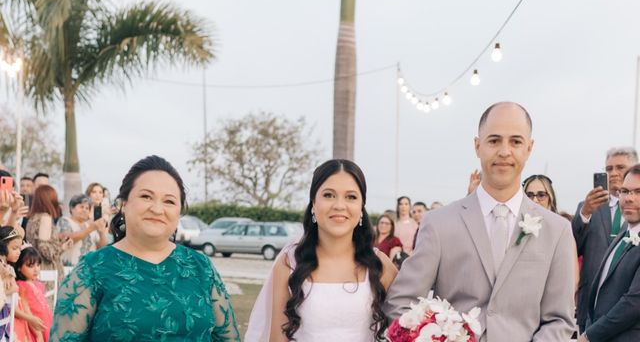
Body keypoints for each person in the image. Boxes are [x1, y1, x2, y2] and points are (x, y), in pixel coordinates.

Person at [384, 102, 576, 341]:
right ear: (478, 146)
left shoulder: (557, 230)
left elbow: (560, 320)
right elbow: (401, 303)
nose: (504, 151)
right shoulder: (439, 223)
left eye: (515, 141)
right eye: (494, 140)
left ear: (529, 147)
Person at [50, 155, 240, 341]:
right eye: (146, 196)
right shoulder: (93, 269)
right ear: (123, 204)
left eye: (169, 201)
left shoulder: (201, 267)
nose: (157, 209)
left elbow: (228, 337)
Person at [246, 159, 397, 341]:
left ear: (361, 208)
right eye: (328, 195)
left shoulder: (380, 265)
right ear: (313, 204)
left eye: (351, 197)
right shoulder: (290, 262)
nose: (339, 205)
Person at [572, 147, 638, 333]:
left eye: (620, 167)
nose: (614, 173)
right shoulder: (588, 207)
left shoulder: (635, 209)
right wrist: (585, 213)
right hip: (590, 307)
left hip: (629, 308)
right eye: (609, 169)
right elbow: (571, 250)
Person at [25, 186, 71, 285]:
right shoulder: (45, 218)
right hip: (48, 273)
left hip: (37, 270)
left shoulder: (32, 218)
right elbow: (44, 249)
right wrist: (62, 247)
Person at [56, 194, 108, 266]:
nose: (84, 210)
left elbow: (102, 248)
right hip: (70, 268)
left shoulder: (90, 225)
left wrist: (101, 233)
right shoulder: (64, 220)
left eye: (87, 208)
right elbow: (67, 238)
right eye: (81, 207)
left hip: (89, 269)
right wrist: (91, 228)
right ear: (72, 208)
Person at [14, 246, 52, 342]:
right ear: (19, 267)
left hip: (47, 322)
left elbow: (44, 306)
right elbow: (26, 310)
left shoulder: (39, 284)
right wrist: (38, 334)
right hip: (36, 326)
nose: (36, 270)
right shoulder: (22, 286)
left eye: (38, 265)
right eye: (30, 266)